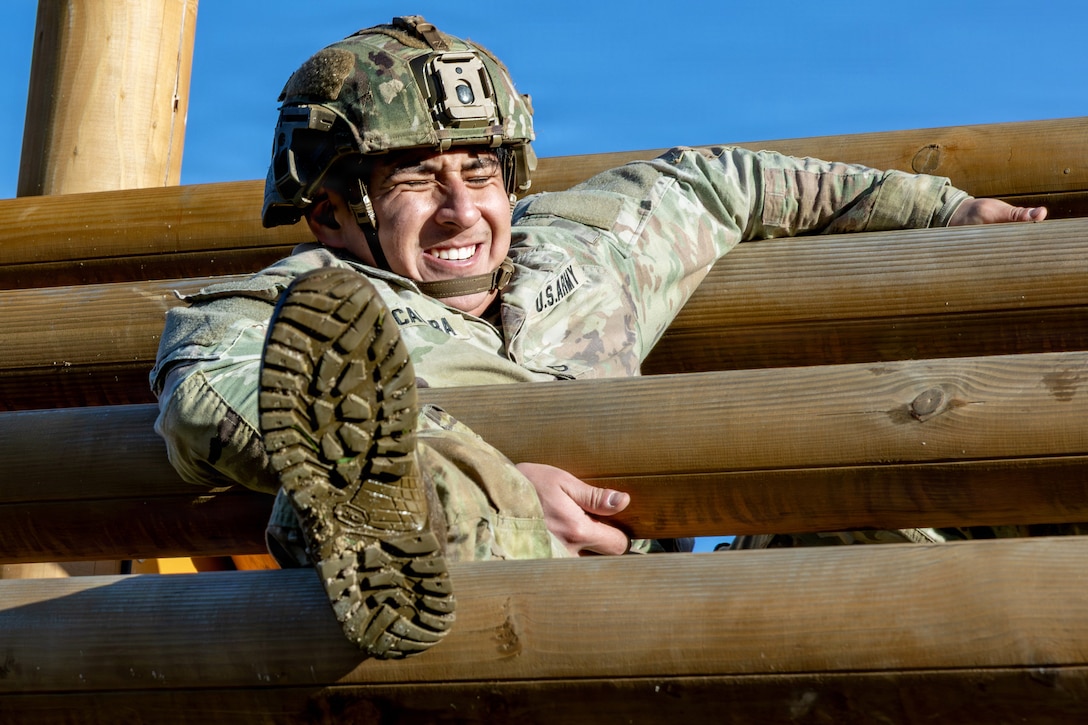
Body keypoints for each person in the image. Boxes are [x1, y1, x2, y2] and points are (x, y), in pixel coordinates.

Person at [150, 16, 1048, 659]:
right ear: (331, 207)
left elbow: (728, 182)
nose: (465, 208)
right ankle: (398, 516)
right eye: (418, 181)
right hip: (464, 638)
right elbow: (203, 394)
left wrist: (949, 209)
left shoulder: (586, 244)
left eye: (480, 171)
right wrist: (480, 474)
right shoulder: (299, 304)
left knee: (895, 498)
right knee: (407, 483)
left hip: (664, 607)